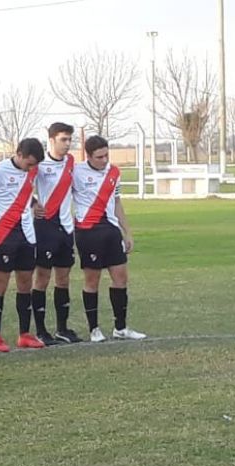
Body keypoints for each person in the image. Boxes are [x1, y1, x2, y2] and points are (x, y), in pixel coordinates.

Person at [73, 135, 146, 342]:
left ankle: (120, 328)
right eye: (99, 157)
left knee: (121, 278)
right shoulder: (76, 172)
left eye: (106, 155)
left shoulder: (114, 172)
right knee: (92, 280)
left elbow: (116, 202)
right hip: (88, 232)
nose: (104, 160)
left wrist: (127, 231)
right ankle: (94, 329)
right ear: (88, 156)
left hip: (112, 232)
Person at [0, 137, 47, 352]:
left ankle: (24, 334)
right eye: (29, 163)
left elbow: (23, 194)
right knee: (0, 286)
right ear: (18, 154)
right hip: (4, 235)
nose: (32, 168)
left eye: (35, 165)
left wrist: (35, 203)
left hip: (27, 235)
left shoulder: (32, 171)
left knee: (25, 284)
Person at [31, 122, 82, 346]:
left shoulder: (71, 162)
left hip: (65, 229)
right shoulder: (40, 164)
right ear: (51, 140)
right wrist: (33, 202)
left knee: (63, 278)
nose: (68, 144)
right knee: (42, 278)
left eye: (70, 140)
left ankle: (62, 328)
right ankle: (41, 330)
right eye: (64, 139)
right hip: (45, 226)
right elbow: (23, 185)